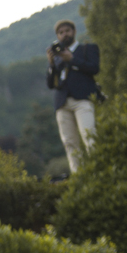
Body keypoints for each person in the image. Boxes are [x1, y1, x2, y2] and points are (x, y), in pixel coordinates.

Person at [47, 19, 100, 174]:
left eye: (67, 31)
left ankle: (100, 171)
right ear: (57, 36)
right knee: (69, 143)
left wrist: (72, 59)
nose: (65, 35)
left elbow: (94, 68)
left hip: (82, 100)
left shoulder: (87, 49)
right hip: (62, 103)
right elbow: (50, 84)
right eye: (61, 33)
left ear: (74, 32)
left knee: (90, 136)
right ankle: (79, 176)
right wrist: (51, 64)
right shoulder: (56, 58)